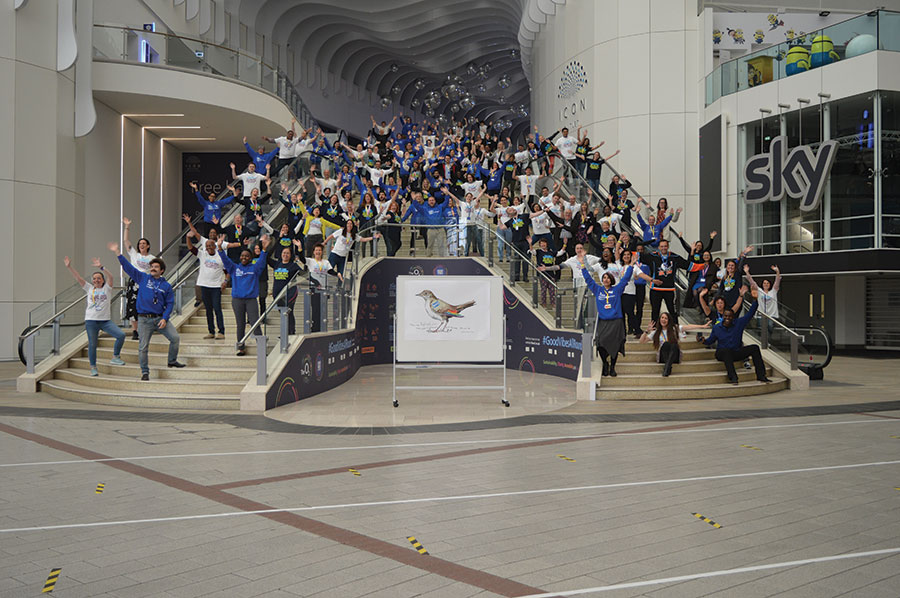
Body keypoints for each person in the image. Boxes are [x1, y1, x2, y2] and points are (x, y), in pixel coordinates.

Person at [110, 242, 184, 380]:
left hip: (159, 318)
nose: (153, 268)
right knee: (143, 347)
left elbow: (169, 304)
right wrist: (118, 254)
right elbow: (129, 268)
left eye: (156, 267)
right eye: (152, 266)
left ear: (162, 270)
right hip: (144, 319)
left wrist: (165, 318)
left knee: (175, 338)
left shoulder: (166, 286)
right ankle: (145, 372)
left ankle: (172, 360)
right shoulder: (143, 278)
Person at [63, 256, 126, 377]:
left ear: (102, 280)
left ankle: (115, 357)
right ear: (92, 281)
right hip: (91, 321)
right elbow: (78, 278)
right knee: (92, 344)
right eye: (94, 279)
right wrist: (69, 267)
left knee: (121, 335)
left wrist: (101, 267)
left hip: (105, 321)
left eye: (99, 278)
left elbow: (111, 277)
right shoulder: (89, 288)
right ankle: (93, 367)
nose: (96, 280)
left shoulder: (107, 289)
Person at [701, 291, 772, 385]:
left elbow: (750, 314)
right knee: (726, 351)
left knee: (755, 348)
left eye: (730, 316)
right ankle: (733, 378)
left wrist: (755, 300)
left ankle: (761, 376)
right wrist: (704, 341)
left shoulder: (738, 323)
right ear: (723, 317)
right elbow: (711, 340)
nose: (727, 318)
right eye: (725, 316)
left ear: (733, 317)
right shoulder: (717, 327)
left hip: (736, 351)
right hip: (722, 353)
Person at [579, 255, 633, 377]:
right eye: (604, 278)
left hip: (616, 322)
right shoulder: (598, 290)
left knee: (616, 345)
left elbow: (625, 279)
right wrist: (583, 266)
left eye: (608, 278)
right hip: (603, 322)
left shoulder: (617, 290)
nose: (606, 279)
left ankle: (612, 367)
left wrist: (630, 266)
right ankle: (605, 363)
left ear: (611, 280)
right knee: (601, 344)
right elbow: (588, 280)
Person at [218, 238, 269, 356]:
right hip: (237, 300)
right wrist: (220, 248)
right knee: (240, 324)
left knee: (255, 323)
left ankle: (261, 347)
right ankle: (241, 347)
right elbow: (225, 260)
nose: (244, 258)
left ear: (250, 258)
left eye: (246, 256)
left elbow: (261, 261)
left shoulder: (255, 269)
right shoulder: (235, 268)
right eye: (242, 256)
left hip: (251, 300)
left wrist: (264, 250)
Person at [640, 313, 709, 377]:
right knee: (666, 344)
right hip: (663, 356)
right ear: (659, 319)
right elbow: (642, 341)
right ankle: (668, 367)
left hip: (675, 356)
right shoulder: (656, 332)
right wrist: (646, 331)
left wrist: (702, 326)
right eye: (662, 318)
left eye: (666, 318)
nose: (663, 320)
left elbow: (689, 327)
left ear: (669, 320)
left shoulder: (675, 329)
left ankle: (667, 367)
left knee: (674, 345)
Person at [186, 233, 226, 340]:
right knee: (208, 309)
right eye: (207, 246)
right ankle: (211, 331)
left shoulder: (220, 257)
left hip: (216, 287)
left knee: (217, 309)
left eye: (210, 245)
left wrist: (225, 281)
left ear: (215, 246)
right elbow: (191, 248)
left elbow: (227, 271)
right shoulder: (202, 254)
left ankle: (221, 331)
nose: (208, 247)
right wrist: (188, 237)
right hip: (204, 285)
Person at [121, 217, 155, 341]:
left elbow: (156, 271)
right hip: (134, 281)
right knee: (132, 305)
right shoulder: (135, 254)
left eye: (143, 243)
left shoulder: (152, 258)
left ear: (148, 246)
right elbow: (125, 241)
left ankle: (145, 329)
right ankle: (135, 331)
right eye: (140, 243)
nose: (141, 245)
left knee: (145, 305)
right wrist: (127, 226)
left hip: (145, 282)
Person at [642, 239, 690, 324]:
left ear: (668, 247)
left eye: (665, 246)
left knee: (672, 311)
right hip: (656, 289)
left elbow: (688, 265)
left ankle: (676, 328)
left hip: (669, 289)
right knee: (655, 311)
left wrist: (701, 265)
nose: (663, 248)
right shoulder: (652, 256)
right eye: (662, 246)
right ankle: (653, 330)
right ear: (658, 247)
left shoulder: (674, 257)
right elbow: (634, 255)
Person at [305, 243, 343, 333]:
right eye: (316, 250)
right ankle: (314, 329)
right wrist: (299, 248)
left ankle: (322, 328)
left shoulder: (326, 262)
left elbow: (330, 271)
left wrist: (337, 274)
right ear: (314, 252)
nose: (318, 252)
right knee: (315, 310)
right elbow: (302, 259)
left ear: (322, 252)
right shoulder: (310, 261)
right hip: (314, 289)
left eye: (320, 250)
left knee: (323, 310)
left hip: (324, 289)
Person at [268, 241, 303, 336]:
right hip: (277, 293)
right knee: (282, 313)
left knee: (288, 311)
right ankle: (286, 332)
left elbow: (304, 273)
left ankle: (290, 332)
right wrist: (276, 242)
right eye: (284, 253)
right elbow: (267, 257)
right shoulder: (276, 264)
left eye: (287, 253)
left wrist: (299, 249)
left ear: (290, 255)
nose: (285, 255)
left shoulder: (293, 265)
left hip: (289, 292)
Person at [744, 264, 782, 335]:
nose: (766, 284)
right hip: (761, 314)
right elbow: (752, 282)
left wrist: (777, 271)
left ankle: (768, 341)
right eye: (764, 283)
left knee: (770, 327)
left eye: (767, 283)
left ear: (770, 285)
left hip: (771, 315)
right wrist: (747, 272)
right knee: (760, 329)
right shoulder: (759, 291)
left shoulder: (773, 291)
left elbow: (777, 281)